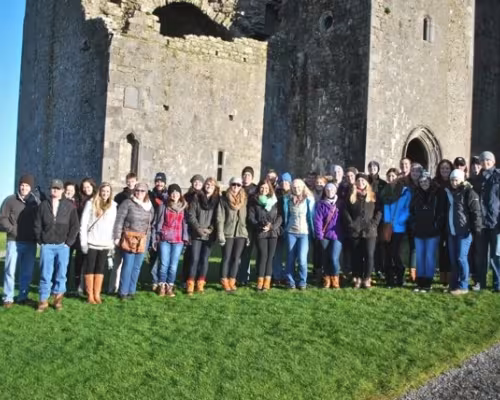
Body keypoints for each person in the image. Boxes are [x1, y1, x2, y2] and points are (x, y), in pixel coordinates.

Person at [35, 179, 80, 312]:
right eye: (53, 188)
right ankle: (43, 300)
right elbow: (37, 224)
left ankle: (57, 300)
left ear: (62, 191)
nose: (55, 190)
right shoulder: (43, 205)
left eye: (57, 188)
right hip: (47, 245)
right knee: (45, 273)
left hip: (62, 246)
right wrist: (40, 240)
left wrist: (68, 243)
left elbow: (75, 226)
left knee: (61, 274)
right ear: (50, 190)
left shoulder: (70, 206)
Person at [0, 174, 40, 307]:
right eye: (22, 185)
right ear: (19, 186)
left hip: (30, 242)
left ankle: (23, 296)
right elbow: (3, 218)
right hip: (14, 240)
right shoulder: (10, 200)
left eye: (27, 185)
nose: (24, 187)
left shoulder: (35, 203)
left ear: (31, 188)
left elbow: (39, 220)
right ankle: (8, 298)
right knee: (10, 270)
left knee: (27, 272)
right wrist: (11, 229)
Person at [113, 182, 154, 300]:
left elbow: (150, 224)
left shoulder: (149, 206)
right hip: (129, 238)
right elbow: (119, 220)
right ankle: (123, 292)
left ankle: (132, 290)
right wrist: (117, 237)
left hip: (143, 239)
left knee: (137, 267)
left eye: (142, 191)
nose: (139, 193)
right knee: (127, 265)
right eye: (137, 190)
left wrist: (148, 241)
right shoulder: (127, 203)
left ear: (146, 192)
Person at [444, 169, 482, 295]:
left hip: (464, 231)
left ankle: (463, 286)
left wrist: (476, 229)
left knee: (461, 258)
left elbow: (476, 212)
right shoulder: (449, 192)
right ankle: (453, 285)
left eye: (456, 180)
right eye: (452, 180)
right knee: (453, 259)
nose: (454, 182)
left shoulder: (469, 193)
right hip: (452, 231)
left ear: (462, 179)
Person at [79, 182, 117, 304]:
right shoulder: (90, 204)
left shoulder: (113, 206)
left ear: (110, 193)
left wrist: (112, 243)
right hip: (92, 241)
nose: (105, 193)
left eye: (108, 191)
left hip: (105, 242)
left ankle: (97, 294)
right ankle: (90, 294)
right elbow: (83, 224)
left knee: (100, 268)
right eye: (103, 191)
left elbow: (113, 225)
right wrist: (83, 242)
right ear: (99, 191)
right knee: (90, 268)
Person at [343, 173, 381, 289]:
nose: (361, 183)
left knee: (369, 255)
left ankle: (367, 278)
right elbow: (345, 211)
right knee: (357, 255)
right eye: (358, 181)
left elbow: (379, 211)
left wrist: (374, 223)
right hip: (355, 230)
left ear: (367, 183)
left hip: (370, 231)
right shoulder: (351, 195)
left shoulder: (373, 195)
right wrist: (351, 224)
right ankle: (358, 277)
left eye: (363, 181)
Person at [152, 184, 188, 298]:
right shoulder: (164, 206)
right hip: (165, 239)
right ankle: (162, 285)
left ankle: (170, 286)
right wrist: (156, 237)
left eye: (177, 192)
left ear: (180, 194)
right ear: (169, 194)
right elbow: (158, 223)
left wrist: (185, 238)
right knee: (164, 264)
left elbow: (185, 224)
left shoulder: (184, 207)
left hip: (178, 240)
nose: (175, 194)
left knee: (173, 265)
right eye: (172, 192)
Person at [410, 171, 443, 292]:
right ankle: (420, 282)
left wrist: (436, 225)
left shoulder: (436, 194)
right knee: (420, 257)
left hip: (432, 231)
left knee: (429, 257)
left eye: (426, 181)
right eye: (421, 181)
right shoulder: (416, 194)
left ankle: (427, 283)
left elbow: (440, 212)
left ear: (430, 181)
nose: (424, 183)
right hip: (419, 230)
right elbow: (412, 211)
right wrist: (414, 224)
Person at [186, 177, 219, 294]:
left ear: (215, 188)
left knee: (204, 259)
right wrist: (198, 229)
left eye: (212, 185)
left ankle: (200, 283)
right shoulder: (197, 198)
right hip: (197, 233)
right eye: (207, 184)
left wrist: (210, 229)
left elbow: (218, 218)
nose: (209, 186)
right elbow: (191, 215)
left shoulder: (217, 200)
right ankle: (190, 283)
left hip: (209, 235)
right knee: (194, 259)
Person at [248, 180, 282, 291]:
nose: (264, 190)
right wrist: (260, 225)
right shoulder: (254, 201)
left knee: (270, 257)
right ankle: (260, 281)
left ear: (270, 189)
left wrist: (272, 226)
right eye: (262, 188)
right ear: (259, 188)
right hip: (261, 232)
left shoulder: (274, 201)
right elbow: (251, 217)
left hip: (273, 233)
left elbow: (280, 217)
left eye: (266, 188)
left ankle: (267, 282)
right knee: (263, 256)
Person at [380, 168, 411, 287]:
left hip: (398, 227)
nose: (391, 179)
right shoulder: (384, 191)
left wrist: (400, 221)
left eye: (393, 176)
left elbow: (408, 209)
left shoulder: (404, 191)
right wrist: (386, 222)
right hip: (387, 226)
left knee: (394, 252)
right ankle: (389, 280)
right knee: (387, 253)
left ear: (397, 177)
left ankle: (400, 274)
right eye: (389, 176)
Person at [217, 177, 249, 292]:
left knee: (236, 258)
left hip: (241, 233)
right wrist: (220, 233)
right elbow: (220, 217)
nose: (236, 187)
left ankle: (232, 280)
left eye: (238, 185)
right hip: (228, 232)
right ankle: (224, 280)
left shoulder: (244, 199)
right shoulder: (224, 199)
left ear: (241, 186)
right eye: (233, 184)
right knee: (226, 257)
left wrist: (247, 234)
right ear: (230, 185)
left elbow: (246, 218)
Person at [282, 179, 315, 290]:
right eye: (294, 187)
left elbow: (311, 216)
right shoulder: (287, 199)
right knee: (290, 258)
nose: (296, 189)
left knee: (302, 258)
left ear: (303, 187)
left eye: (299, 187)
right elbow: (285, 215)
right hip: (291, 231)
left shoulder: (309, 200)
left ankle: (302, 281)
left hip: (304, 233)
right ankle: (290, 281)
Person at [109, 172, 137, 294]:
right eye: (129, 181)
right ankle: (112, 287)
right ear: (126, 182)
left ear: (136, 181)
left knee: (130, 263)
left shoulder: (141, 196)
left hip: (134, 232)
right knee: (118, 262)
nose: (130, 183)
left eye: (133, 181)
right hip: (121, 230)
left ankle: (125, 287)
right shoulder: (120, 196)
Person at [477, 151, 500, 292]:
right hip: (481, 222)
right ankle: (481, 282)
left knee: (496, 256)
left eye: (488, 160)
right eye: (483, 160)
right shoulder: (478, 178)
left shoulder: (498, 176)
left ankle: (498, 284)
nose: (485, 162)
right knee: (481, 255)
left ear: (493, 161)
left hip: (496, 221)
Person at [313, 183, 343, 289]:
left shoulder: (340, 204)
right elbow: (318, 221)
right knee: (325, 258)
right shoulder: (321, 204)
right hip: (325, 235)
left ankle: (335, 279)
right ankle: (326, 279)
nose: (330, 191)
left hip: (337, 235)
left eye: (332, 190)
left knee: (334, 258)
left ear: (335, 191)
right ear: (325, 191)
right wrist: (319, 235)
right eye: (327, 190)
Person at [72, 178, 97, 295]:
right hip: (81, 234)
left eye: (88, 187)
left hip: (93, 234)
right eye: (84, 187)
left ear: (92, 186)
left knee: (90, 262)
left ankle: (88, 287)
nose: (86, 189)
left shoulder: (97, 199)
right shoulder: (79, 200)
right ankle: (78, 285)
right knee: (79, 260)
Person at [181, 174, 204, 288]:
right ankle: (185, 280)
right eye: (195, 182)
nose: (197, 184)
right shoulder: (186, 196)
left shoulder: (203, 196)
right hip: (188, 228)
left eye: (199, 183)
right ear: (192, 183)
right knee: (188, 256)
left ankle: (196, 280)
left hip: (199, 228)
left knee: (199, 257)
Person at [434, 159, 454, 286]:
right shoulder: (435, 183)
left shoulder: (454, 183)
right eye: (442, 168)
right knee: (441, 249)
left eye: (447, 168)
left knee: (451, 250)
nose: (445, 171)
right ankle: (443, 277)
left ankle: (451, 275)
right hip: (439, 220)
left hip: (452, 221)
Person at [148, 172, 168, 292]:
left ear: (165, 183)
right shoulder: (150, 195)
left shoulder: (168, 196)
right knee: (153, 256)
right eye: (157, 181)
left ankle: (162, 281)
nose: (159, 183)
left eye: (161, 181)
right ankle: (154, 281)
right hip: (151, 229)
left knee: (163, 258)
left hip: (164, 230)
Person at [239, 166, 257, 285]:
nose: (246, 177)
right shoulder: (238, 188)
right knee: (237, 252)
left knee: (246, 252)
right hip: (239, 224)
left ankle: (244, 277)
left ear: (252, 177)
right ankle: (236, 275)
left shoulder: (255, 190)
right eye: (244, 175)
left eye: (249, 175)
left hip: (250, 226)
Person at [273, 172, 292, 284]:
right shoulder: (276, 195)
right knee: (277, 254)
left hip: (290, 227)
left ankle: (288, 275)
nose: (284, 183)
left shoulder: (293, 195)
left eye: (286, 181)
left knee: (290, 254)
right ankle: (277, 275)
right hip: (278, 227)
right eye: (282, 181)